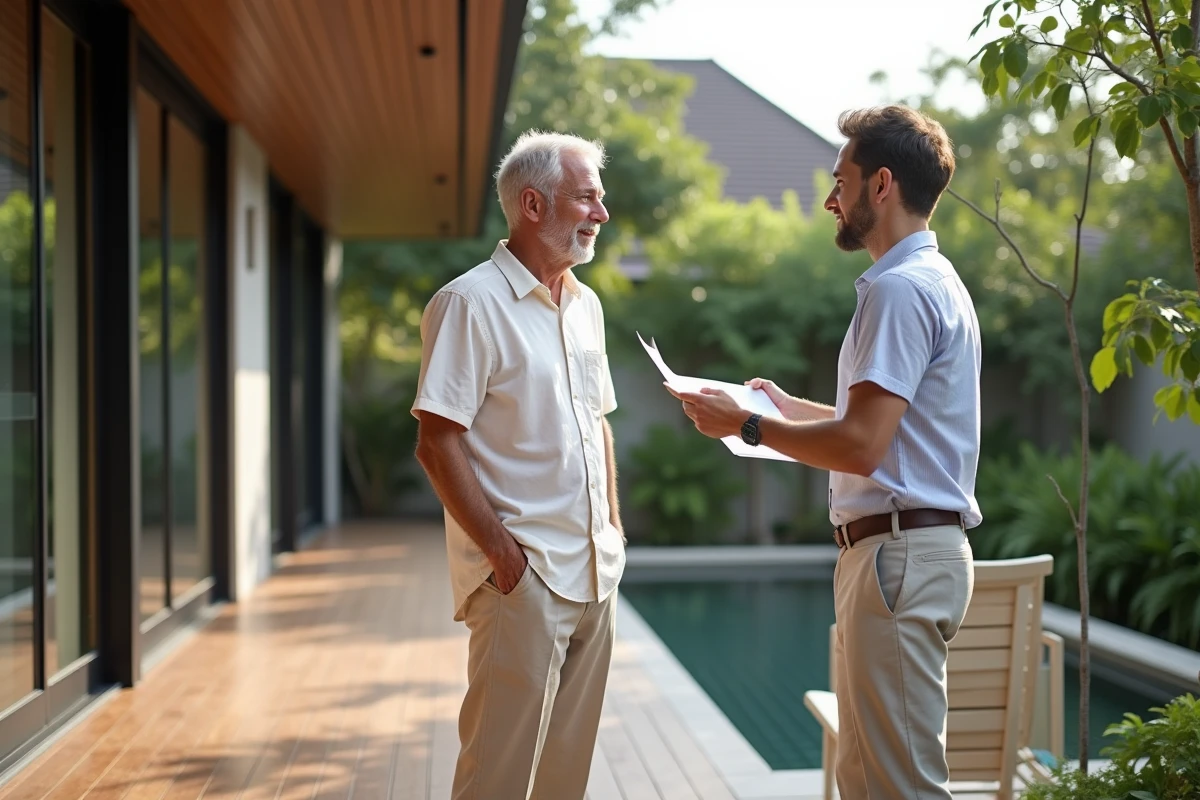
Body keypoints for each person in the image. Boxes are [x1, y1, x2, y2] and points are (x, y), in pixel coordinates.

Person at [672, 105, 981, 799]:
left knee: (899, 785)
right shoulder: (934, 282)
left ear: (881, 185)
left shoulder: (898, 291)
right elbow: (885, 431)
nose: (829, 197)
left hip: (897, 555)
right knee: (865, 779)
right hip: (904, 553)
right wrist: (784, 410)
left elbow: (863, 447)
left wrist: (746, 428)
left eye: (839, 178)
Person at [411, 130, 624, 800]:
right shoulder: (467, 303)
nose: (602, 213)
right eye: (587, 197)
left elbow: (598, 423)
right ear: (533, 204)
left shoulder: (586, 306)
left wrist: (613, 530)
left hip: (594, 574)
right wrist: (506, 559)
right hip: (522, 582)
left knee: (565, 779)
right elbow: (436, 441)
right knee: (495, 779)